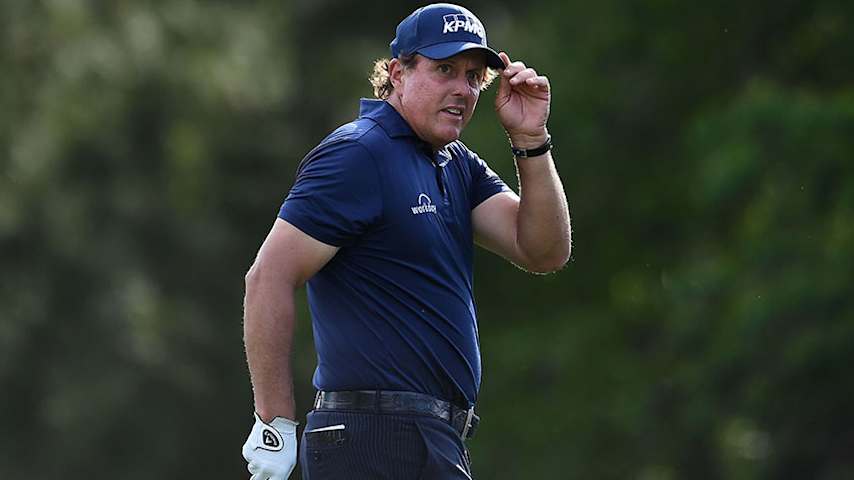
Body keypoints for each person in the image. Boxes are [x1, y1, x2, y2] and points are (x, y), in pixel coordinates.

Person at [241, 3, 571, 479]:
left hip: (436, 439)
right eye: (444, 69)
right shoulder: (358, 153)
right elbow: (268, 276)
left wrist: (531, 138)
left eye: (473, 76)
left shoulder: (458, 164)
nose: (462, 89)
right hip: (369, 437)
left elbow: (543, 250)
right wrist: (274, 423)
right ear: (398, 73)